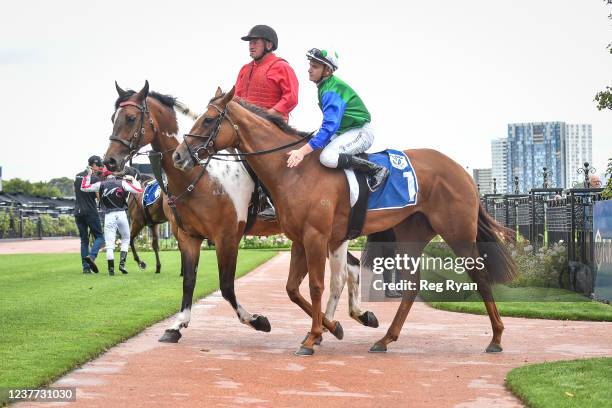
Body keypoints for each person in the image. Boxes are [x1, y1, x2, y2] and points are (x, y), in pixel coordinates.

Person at [286, 48, 388, 192]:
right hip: (346, 131)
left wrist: (302, 152)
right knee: (315, 150)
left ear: (327, 71)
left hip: (360, 132)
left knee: (327, 157)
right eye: (310, 65)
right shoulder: (325, 86)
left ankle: (376, 169)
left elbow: (329, 127)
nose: (309, 70)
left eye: (314, 66)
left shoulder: (331, 90)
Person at [235, 24, 299, 219]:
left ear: (269, 45)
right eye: (249, 43)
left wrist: (266, 117)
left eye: (255, 42)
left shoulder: (282, 67)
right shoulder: (244, 69)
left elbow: (291, 98)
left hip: (273, 130)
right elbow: (236, 98)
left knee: (262, 162)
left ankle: (269, 202)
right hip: (245, 129)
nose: (251, 46)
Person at [81, 171, 142, 276]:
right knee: (126, 239)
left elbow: (84, 187)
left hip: (109, 216)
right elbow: (138, 189)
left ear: (105, 177)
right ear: (114, 176)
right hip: (122, 214)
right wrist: (133, 179)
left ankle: (111, 270)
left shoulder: (100, 184)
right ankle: (122, 265)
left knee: (109, 245)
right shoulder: (122, 183)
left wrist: (89, 175)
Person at [73, 155, 105, 274]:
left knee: (84, 240)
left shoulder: (77, 176)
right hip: (90, 211)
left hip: (78, 211)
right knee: (100, 237)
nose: (100, 168)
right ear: (93, 165)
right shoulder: (95, 179)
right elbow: (98, 197)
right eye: (99, 165)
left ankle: (85, 268)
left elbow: (76, 191)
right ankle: (91, 257)